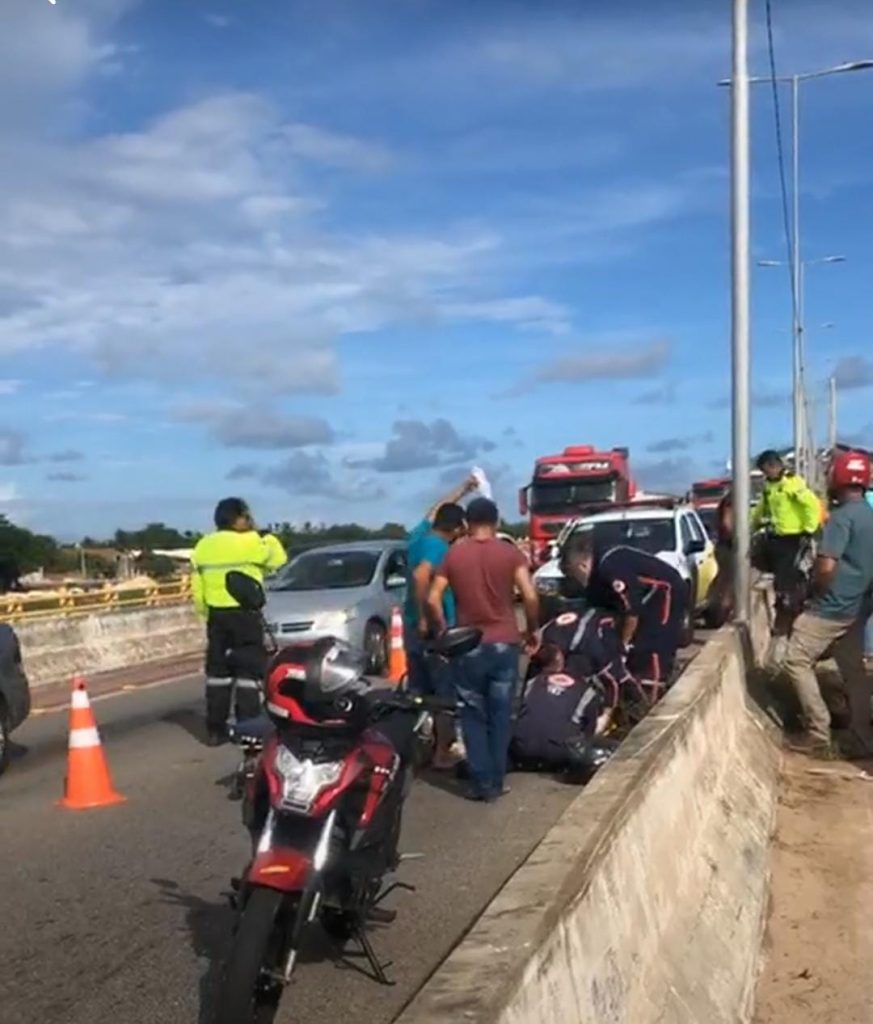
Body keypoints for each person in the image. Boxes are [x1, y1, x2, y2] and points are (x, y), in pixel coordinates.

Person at [428, 497, 539, 802]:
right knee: (501, 714)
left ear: (466, 523)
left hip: (468, 644)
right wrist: (532, 630)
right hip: (505, 641)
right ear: (497, 521)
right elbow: (529, 595)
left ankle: (482, 782)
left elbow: (433, 598)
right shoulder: (510, 553)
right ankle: (498, 777)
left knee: (472, 713)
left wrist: (444, 631)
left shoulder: (453, 556)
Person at [781, 450, 873, 758]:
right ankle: (861, 737)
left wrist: (813, 594)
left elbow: (825, 566)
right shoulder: (869, 515)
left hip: (834, 606)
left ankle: (818, 732)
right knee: (852, 669)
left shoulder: (841, 517)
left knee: (796, 659)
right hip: (859, 605)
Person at [191, 497, 287, 745]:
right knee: (248, 673)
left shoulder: (203, 546)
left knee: (218, 674)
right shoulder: (252, 541)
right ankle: (247, 725)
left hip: (217, 616)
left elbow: (197, 587)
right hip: (245, 615)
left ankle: (215, 730)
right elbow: (278, 560)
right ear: (240, 518)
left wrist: (206, 611)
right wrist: (267, 536)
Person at [558, 527, 688, 702]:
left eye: (572, 576)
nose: (574, 583)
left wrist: (623, 647)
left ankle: (652, 696)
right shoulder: (597, 575)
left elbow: (631, 610)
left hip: (666, 594)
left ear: (582, 565)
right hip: (647, 597)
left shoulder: (609, 568)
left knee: (650, 644)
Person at [403, 476, 476, 769]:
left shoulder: (418, 537)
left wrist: (463, 488)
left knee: (419, 692)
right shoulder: (439, 548)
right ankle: (442, 750)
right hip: (433, 628)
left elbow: (435, 510)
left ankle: (417, 747)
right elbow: (421, 576)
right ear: (458, 529)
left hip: (412, 626)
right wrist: (426, 618)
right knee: (444, 692)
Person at [751, 450, 822, 626]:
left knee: (787, 577)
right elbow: (761, 509)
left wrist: (809, 529)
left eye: (767, 469)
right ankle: (786, 605)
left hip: (794, 536)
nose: (766, 473)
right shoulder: (770, 487)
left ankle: (790, 611)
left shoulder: (792, 483)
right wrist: (748, 525)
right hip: (776, 536)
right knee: (760, 562)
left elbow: (811, 505)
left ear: (774, 465)